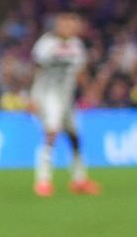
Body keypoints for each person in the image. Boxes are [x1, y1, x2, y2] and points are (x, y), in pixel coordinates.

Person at [29, 12, 98, 197]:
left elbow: (80, 71)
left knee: (74, 136)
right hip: (48, 95)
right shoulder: (46, 44)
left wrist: (89, 92)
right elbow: (37, 70)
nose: (71, 27)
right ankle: (43, 181)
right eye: (67, 24)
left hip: (66, 97)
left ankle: (79, 179)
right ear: (58, 25)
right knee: (52, 133)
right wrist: (33, 98)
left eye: (74, 24)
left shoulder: (77, 46)